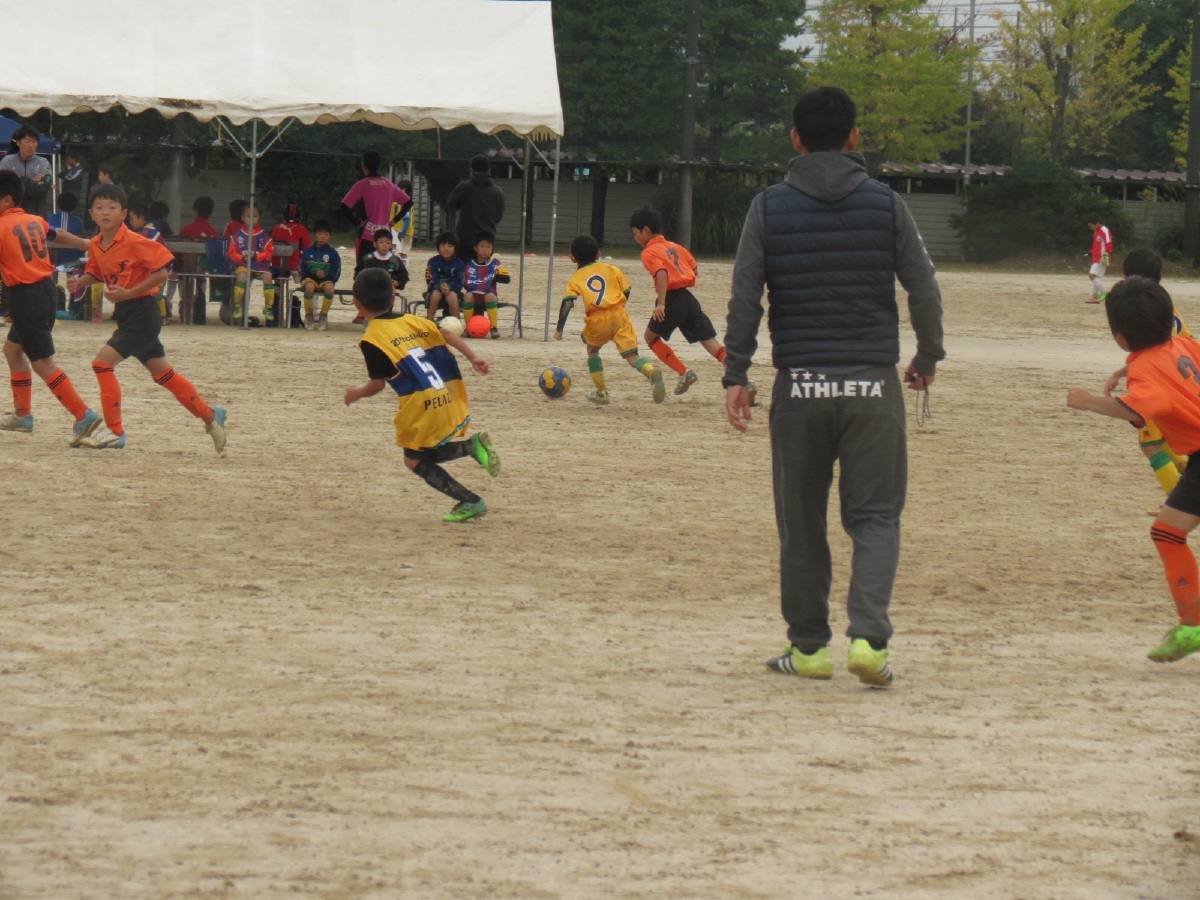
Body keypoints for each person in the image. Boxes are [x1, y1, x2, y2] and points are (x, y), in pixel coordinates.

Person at [723, 86, 945, 687]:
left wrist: (737, 372)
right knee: (876, 518)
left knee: (801, 521)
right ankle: (869, 641)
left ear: (795, 140)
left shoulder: (768, 207)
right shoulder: (887, 204)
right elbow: (923, 289)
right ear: (854, 138)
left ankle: (809, 649)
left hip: (799, 385)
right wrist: (927, 355)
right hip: (872, 384)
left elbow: (745, 296)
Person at [1067, 276, 1200, 662]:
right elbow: (1172, 371)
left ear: (1120, 337)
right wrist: (1126, 372)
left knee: (1168, 534)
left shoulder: (1145, 369)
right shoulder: (1185, 344)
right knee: (1167, 531)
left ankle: (1193, 625)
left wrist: (1088, 402)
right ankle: (1192, 626)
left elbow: (1138, 407)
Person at [64, 183, 226, 452]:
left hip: (143, 313)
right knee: (163, 375)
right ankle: (211, 415)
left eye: (112, 207)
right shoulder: (97, 244)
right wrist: (80, 282)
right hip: (127, 315)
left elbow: (162, 273)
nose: (105, 212)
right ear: (91, 214)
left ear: (123, 213)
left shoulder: (135, 241)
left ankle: (115, 431)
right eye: (99, 207)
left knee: (102, 364)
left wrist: (128, 292)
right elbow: (98, 273)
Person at [344, 267, 499, 523]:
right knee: (422, 453)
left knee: (413, 460)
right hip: (446, 395)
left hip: (420, 405)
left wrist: (356, 393)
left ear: (357, 303)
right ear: (393, 298)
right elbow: (446, 333)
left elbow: (377, 385)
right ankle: (471, 447)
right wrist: (474, 357)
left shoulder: (372, 340)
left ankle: (471, 500)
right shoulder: (412, 320)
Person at [0, 170, 101, 443]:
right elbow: (56, 235)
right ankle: (22, 415)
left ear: (6, 200)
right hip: (46, 290)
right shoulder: (33, 220)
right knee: (12, 350)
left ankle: (83, 415)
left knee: (43, 363)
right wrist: (85, 243)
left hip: (25, 297)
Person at [1102, 249, 1191, 510]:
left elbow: (1152, 356)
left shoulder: (1139, 313)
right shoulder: (1168, 309)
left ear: (1126, 278)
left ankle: (1179, 502)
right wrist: (1120, 373)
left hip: (1155, 388)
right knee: (1165, 439)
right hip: (1178, 384)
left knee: (1151, 446)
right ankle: (1186, 479)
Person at [629, 207, 730, 396]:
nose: (635, 238)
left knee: (650, 338)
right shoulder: (676, 247)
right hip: (688, 299)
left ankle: (684, 372)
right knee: (709, 340)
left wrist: (661, 303)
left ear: (646, 230)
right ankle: (736, 372)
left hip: (671, 300)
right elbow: (694, 269)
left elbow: (661, 273)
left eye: (635, 234)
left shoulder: (649, 252)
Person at [554, 234, 665, 405]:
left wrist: (559, 329)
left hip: (598, 318)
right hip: (620, 314)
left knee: (592, 350)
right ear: (598, 254)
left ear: (572, 258)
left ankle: (601, 392)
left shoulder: (576, 278)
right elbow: (627, 290)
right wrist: (618, 306)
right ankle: (650, 371)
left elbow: (568, 303)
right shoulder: (611, 268)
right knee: (632, 356)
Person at [340, 150, 412, 265]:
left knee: (363, 269)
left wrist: (356, 223)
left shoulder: (362, 185)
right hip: (384, 237)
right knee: (384, 269)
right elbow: (408, 203)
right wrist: (394, 221)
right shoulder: (389, 185)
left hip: (366, 235)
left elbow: (344, 205)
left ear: (364, 166)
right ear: (379, 165)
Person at [447, 155, 505, 263]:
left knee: (464, 269)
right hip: (487, 239)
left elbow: (451, 204)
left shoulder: (464, 187)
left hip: (466, 239)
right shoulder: (497, 192)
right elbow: (498, 216)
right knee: (483, 269)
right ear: (489, 170)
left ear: (471, 170)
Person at [228, 204, 276, 322]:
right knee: (241, 276)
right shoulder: (236, 236)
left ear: (258, 218)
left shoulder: (264, 236)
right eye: (248, 216)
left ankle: (268, 307)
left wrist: (257, 256)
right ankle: (238, 305)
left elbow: (269, 253)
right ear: (242, 217)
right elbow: (231, 254)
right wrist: (241, 258)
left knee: (268, 277)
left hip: (260, 265)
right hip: (243, 265)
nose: (252, 219)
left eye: (254, 216)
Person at [177, 195, 219, 325]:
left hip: (187, 267)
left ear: (195, 211)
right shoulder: (213, 231)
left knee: (184, 279)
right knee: (202, 279)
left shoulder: (187, 228)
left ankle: (185, 305)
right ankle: (200, 303)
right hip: (204, 267)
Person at [462, 230, 510, 338]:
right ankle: (468, 327)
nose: (485, 250)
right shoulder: (470, 264)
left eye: (488, 247)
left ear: (492, 249)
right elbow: (466, 284)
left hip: (488, 293)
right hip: (473, 294)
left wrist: (497, 275)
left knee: (490, 297)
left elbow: (507, 279)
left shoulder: (495, 263)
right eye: (482, 246)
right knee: (467, 296)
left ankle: (493, 328)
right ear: (475, 248)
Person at [298, 219, 341, 331]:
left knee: (330, 288)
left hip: (326, 280)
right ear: (314, 234)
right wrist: (311, 273)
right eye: (320, 234)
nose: (323, 237)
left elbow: (337, 270)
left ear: (330, 236)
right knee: (309, 287)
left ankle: (323, 315)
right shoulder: (307, 252)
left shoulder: (333, 253)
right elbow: (301, 268)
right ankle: (309, 315)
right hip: (309, 279)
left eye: (326, 234)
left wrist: (326, 275)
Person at [0, 125, 52, 216]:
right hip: (11, 215)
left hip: (37, 214)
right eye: (27, 141)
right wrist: (32, 182)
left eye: (34, 142)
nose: (30, 145)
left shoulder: (43, 162)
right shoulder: (8, 161)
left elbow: (43, 188)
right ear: (18, 143)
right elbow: (4, 187)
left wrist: (17, 180)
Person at [424, 231, 465, 322]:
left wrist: (449, 287)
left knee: (451, 296)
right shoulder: (433, 262)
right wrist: (440, 286)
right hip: (435, 290)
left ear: (455, 248)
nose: (446, 249)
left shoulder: (459, 263)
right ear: (438, 247)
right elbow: (430, 279)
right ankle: (429, 320)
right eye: (443, 245)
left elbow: (460, 281)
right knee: (436, 294)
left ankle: (457, 322)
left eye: (450, 246)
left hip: (453, 291)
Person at [271, 201, 312, 287]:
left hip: (277, 266)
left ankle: (277, 290)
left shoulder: (276, 228)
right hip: (294, 267)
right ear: (299, 217)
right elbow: (307, 250)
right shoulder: (302, 229)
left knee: (278, 282)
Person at [1085, 219, 1114, 304]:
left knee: (1091, 276)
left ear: (1096, 223)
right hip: (1096, 258)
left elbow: (1109, 244)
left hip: (1102, 258)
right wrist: (1091, 252)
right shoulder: (1096, 232)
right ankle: (1095, 297)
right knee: (1095, 277)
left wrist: (1109, 258)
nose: (1090, 228)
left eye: (1091, 225)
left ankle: (1103, 293)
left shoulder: (1104, 231)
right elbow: (1096, 245)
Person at [393, 177, 415, 262]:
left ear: (403, 190)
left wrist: (402, 234)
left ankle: (403, 268)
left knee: (401, 253)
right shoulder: (409, 202)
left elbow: (406, 219)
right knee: (401, 252)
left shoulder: (404, 203)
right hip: (406, 232)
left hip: (402, 232)